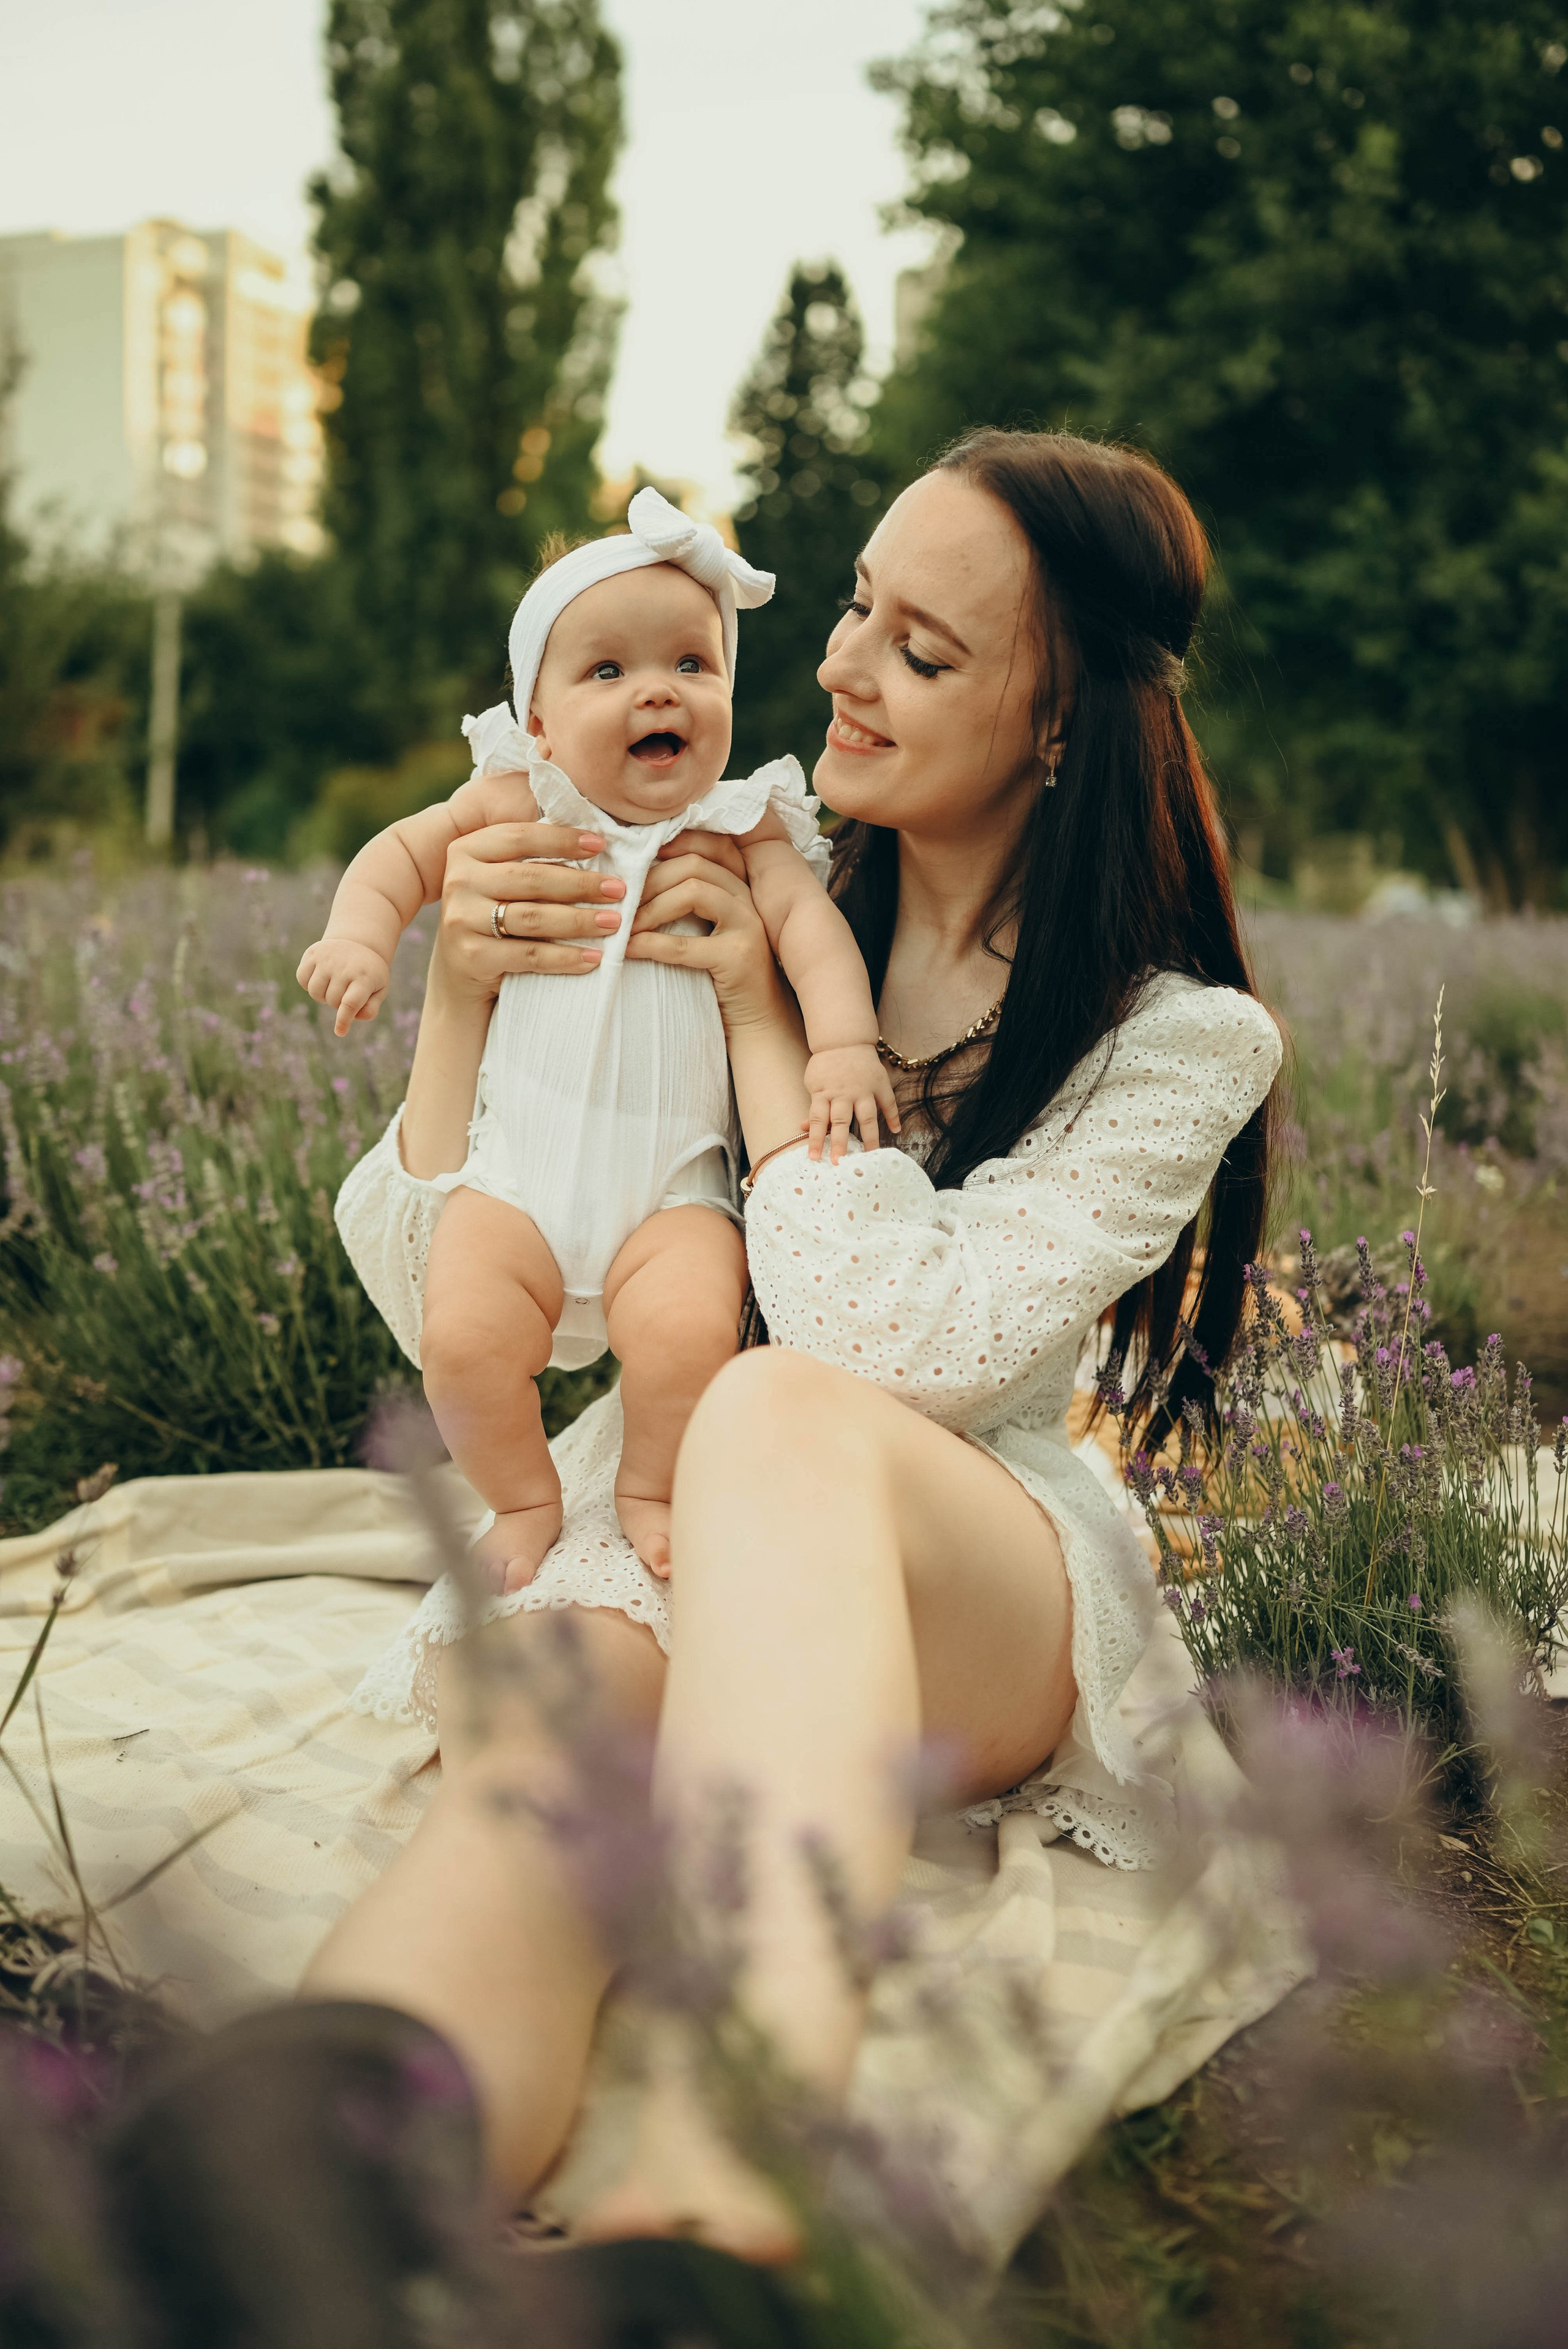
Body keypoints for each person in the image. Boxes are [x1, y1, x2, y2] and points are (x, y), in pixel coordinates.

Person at [309, 427, 1282, 2263]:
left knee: (774, 1404)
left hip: (966, 1567)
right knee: (546, 1783)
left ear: (1059, 722)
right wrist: (456, 1007)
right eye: (853, 604)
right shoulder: (743, 860)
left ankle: (723, 2202)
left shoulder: (1178, 1038)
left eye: (922, 650)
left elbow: (877, 1334)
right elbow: (465, 1305)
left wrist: (765, 1026)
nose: (834, 664)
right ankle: (303, 2176)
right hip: (683, 1523)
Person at [298, 489, 897, 1586]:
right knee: (464, 1342)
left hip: (671, 1188)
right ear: (537, 719)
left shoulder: (739, 822)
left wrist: (844, 1046)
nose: (658, 689)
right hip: (514, 1176)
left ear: (724, 690)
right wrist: (360, 934)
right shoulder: (518, 798)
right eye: (608, 672)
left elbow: (811, 935)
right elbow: (400, 853)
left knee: (684, 1336)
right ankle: (524, 1499)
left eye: (692, 664)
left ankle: (649, 1484)